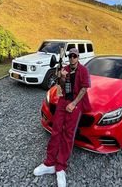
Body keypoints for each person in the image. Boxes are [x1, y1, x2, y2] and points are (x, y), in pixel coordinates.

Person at [33, 48, 91, 187]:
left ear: (78, 57)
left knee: (68, 135)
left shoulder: (83, 70)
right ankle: (49, 163)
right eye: (70, 56)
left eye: (74, 56)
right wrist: (63, 77)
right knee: (55, 131)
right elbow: (62, 87)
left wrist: (73, 104)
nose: (72, 58)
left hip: (76, 102)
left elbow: (84, 89)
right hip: (63, 101)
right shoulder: (64, 68)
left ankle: (60, 167)